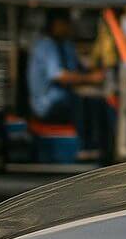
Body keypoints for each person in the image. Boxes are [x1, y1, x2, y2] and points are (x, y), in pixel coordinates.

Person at [28, 10, 112, 160]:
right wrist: (90, 78)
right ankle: (86, 146)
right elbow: (60, 76)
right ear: (56, 25)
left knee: (98, 102)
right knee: (80, 101)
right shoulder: (45, 45)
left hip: (65, 97)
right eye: (65, 24)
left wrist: (97, 70)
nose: (69, 27)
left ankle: (102, 146)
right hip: (47, 103)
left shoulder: (66, 44)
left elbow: (79, 69)